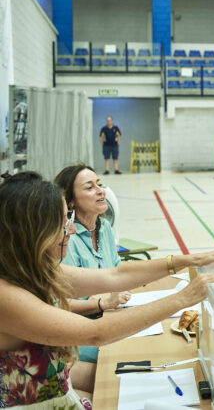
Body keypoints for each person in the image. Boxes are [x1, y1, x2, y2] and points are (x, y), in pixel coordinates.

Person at [0, 172, 214, 408]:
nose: (70, 230)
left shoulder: (34, 270)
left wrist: (188, 259)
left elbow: (115, 275)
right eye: (62, 223)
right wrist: (182, 298)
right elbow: (96, 333)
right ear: (34, 233)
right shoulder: (6, 295)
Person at [54, 164, 130, 392]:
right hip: (81, 330)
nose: (100, 191)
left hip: (107, 317)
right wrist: (100, 302)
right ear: (71, 201)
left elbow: (118, 273)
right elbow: (61, 304)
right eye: (90, 187)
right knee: (126, 354)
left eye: (100, 184)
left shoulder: (104, 227)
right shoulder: (66, 239)